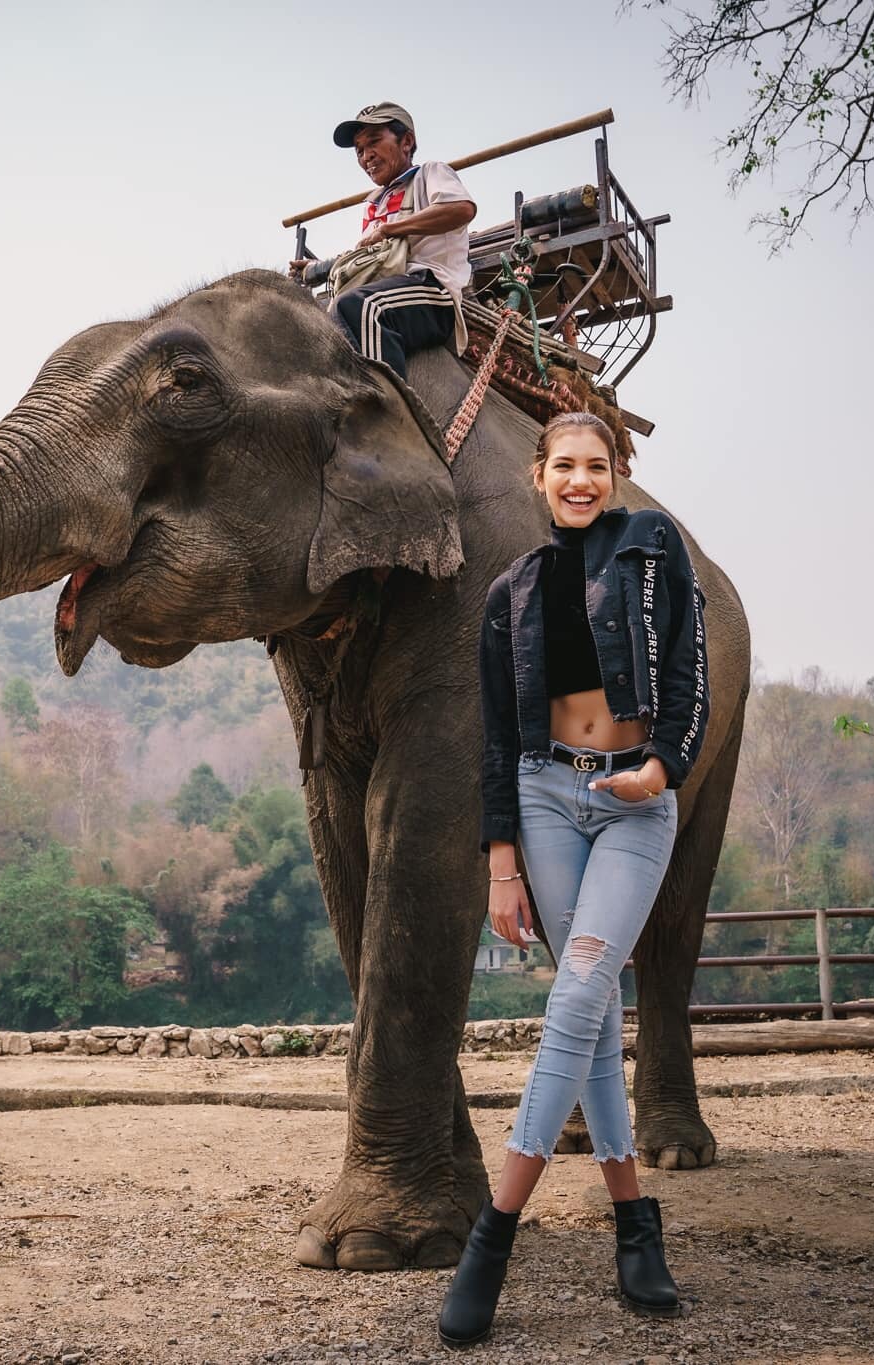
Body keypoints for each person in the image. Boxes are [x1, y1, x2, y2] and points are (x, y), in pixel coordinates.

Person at [439, 412, 710, 1346]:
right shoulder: (513, 590)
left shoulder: (652, 546)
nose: (582, 480)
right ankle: (635, 1223)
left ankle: (495, 1232)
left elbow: (689, 671)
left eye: (598, 466)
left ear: (619, 473)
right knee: (586, 1006)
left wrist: (665, 765)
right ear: (537, 475)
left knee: (584, 981)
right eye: (566, 466)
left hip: (633, 799)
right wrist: (500, 862)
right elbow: (496, 740)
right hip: (546, 794)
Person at [292, 102, 477, 380]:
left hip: (431, 290)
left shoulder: (430, 173)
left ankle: (390, 414)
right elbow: (367, 253)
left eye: (375, 142)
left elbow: (461, 208)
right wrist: (316, 267)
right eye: (359, 150)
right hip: (386, 289)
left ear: (407, 141)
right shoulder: (375, 204)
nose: (367, 156)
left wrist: (391, 229)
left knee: (361, 307)